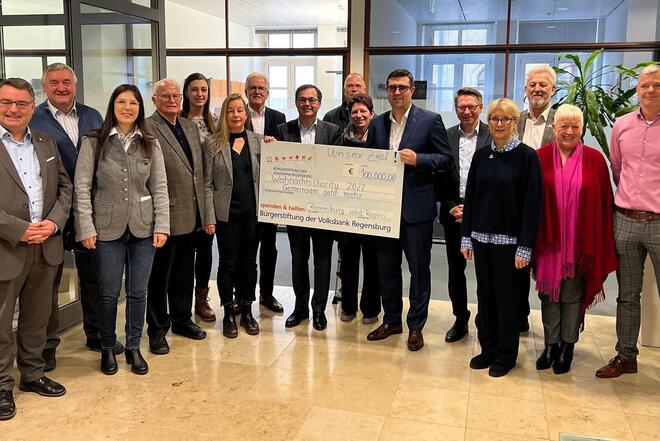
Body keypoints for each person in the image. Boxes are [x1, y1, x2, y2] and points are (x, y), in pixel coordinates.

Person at [73, 84, 170, 376]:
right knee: (108, 293)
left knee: (138, 292)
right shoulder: (94, 141)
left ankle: (133, 347)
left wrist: (162, 225)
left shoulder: (150, 142)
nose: (128, 108)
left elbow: (160, 187)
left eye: (133, 103)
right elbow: (82, 188)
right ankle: (107, 347)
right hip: (106, 228)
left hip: (144, 228)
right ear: (113, 106)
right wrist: (86, 227)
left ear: (140, 108)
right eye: (122, 102)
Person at [0, 78, 72, 421]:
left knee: (38, 316)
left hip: (46, 245)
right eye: (6, 102)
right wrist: (19, 230)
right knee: (1, 321)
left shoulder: (45, 141)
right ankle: (2, 385)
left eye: (21, 103)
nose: (13, 109)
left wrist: (54, 222)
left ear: (32, 107)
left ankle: (32, 373)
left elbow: (65, 188)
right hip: (7, 248)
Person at [365, 68, 451, 351]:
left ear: (412, 90)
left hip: (417, 211)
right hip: (384, 211)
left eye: (402, 87)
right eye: (392, 87)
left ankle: (416, 326)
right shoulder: (377, 124)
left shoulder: (430, 120)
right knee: (386, 270)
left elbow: (445, 159)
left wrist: (419, 160)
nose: (397, 92)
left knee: (418, 271)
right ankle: (392, 321)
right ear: (387, 91)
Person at [30, 63, 109, 370]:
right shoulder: (33, 118)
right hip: (52, 212)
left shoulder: (93, 116)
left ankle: (96, 333)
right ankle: (46, 345)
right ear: (44, 87)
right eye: (54, 82)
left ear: (75, 85)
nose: (61, 87)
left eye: (66, 82)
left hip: (89, 210)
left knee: (93, 277)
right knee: (48, 283)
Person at [532, 104, 617, 375]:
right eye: (564, 126)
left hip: (580, 244)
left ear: (582, 129)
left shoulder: (595, 160)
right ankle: (550, 345)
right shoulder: (539, 158)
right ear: (553, 127)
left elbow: (604, 203)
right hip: (548, 242)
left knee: (571, 295)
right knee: (549, 295)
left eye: (575, 127)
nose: (569, 131)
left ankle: (567, 346)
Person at [460, 98, 542, 377]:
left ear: (515, 122)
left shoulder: (527, 157)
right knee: (485, 296)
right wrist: (466, 237)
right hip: (481, 239)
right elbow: (471, 198)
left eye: (505, 119)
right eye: (494, 118)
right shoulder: (482, 156)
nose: (499, 123)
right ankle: (488, 348)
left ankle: (506, 354)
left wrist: (525, 247)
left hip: (511, 244)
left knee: (507, 299)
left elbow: (532, 204)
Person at [596, 64, 660, 379]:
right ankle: (626, 356)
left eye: (657, 85)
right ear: (637, 89)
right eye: (645, 85)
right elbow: (617, 167)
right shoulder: (621, 125)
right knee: (628, 295)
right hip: (625, 220)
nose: (650, 90)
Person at [146, 79, 207, 355]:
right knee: (159, 277)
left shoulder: (189, 126)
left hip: (190, 214)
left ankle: (182, 319)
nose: (172, 100)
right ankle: (157, 329)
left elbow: (198, 171)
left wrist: (204, 213)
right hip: (164, 215)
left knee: (184, 273)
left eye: (175, 96)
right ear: (154, 100)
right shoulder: (148, 127)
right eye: (165, 96)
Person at [277, 84, 342, 331]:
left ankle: (319, 310)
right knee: (298, 260)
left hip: (322, 210)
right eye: (303, 100)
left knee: (322, 261)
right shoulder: (282, 130)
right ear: (296, 102)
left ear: (319, 104)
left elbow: (336, 168)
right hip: (295, 209)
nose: (307, 104)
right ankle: (300, 308)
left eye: (312, 100)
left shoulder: (332, 131)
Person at [435, 87, 492, 343]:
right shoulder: (444, 137)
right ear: (456, 109)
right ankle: (460, 319)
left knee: (485, 270)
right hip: (454, 212)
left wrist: (474, 209)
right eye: (461, 107)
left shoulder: (493, 136)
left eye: (471, 107)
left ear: (480, 108)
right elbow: (438, 176)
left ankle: (485, 320)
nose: (467, 111)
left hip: (485, 214)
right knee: (456, 270)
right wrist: (450, 206)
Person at [203, 93, 262, 338]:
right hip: (225, 215)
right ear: (224, 115)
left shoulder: (258, 141)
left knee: (249, 265)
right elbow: (206, 184)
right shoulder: (212, 143)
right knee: (228, 264)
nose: (236, 115)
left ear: (246, 114)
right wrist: (209, 217)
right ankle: (228, 313)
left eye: (240, 110)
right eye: (231, 111)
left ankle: (247, 310)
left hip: (252, 215)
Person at [515, 64, 558, 332]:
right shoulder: (514, 120)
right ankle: (519, 319)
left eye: (543, 85)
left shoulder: (561, 122)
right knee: (517, 268)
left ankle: (551, 333)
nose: (537, 89)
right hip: (516, 208)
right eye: (532, 85)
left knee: (545, 271)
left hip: (549, 208)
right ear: (525, 89)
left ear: (553, 89)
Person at [324, 73, 368, 304]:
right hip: (342, 196)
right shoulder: (331, 117)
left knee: (370, 254)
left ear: (365, 89)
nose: (353, 89)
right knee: (346, 250)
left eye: (358, 85)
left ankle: (369, 299)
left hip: (369, 196)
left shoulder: (376, 121)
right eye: (349, 86)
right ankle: (344, 289)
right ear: (344, 90)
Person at [244, 72, 286, 314]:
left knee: (269, 248)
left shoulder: (278, 118)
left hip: (270, 195)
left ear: (268, 93)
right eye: (253, 88)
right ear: (246, 92)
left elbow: (283, 156)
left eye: (261, 88)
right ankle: (243, 296)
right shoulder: (237, 115)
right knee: (246, 250)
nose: (257, 92)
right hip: (246, 195)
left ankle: (267, 294)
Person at [338, 93, 381, 324]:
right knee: (348, 261)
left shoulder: (381, 137)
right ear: (349, 115)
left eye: (363, 111)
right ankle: (348, 307)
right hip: (348, 209)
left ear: (371, 114)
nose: (359, 115)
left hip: (374, 210)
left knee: (372, 262)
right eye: (354, 111)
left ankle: (371, 309)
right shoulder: (340, 138)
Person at [181, 72, 217, 323]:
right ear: (186, 92)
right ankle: (181, 302)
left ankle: (201, 299)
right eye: (194, 89)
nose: (199, 94)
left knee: (205, 250)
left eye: (203, 89)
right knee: (184, 253)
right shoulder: (178, 120)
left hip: (208, 195)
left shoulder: (214, 121)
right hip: (184, 197)